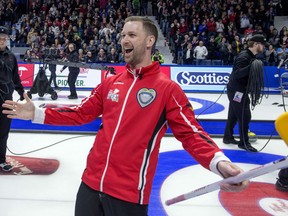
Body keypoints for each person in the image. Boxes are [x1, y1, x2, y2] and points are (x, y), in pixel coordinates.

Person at [2, 17, 249, 216]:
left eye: (131, 35)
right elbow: (80, 113)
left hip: (128, 196)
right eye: (122, 35)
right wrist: (37, 113)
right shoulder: (111, 83)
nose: (123, 40)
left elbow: (191, 133)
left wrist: (219, 163)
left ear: (150, 40)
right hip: (90, 185)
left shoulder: (167, 89)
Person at [223, 34, 268, 152]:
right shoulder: (244, 57)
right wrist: (251, 67)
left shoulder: (251, 56)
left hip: (238, 89)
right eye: (262, 45)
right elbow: (237, 73)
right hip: (237, 91)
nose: (264, 47)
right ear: (256, 44)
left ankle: (227, 137)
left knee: (233, 115)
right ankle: (244, 143)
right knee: (245, 115)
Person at [0, 26, 25, 172]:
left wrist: (21, 92)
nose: (2, 40)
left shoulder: (11, 57)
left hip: (7, 99)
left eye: (5, 38)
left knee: (3, 130)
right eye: (0, 37)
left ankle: (1, 159)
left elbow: (16, 77)